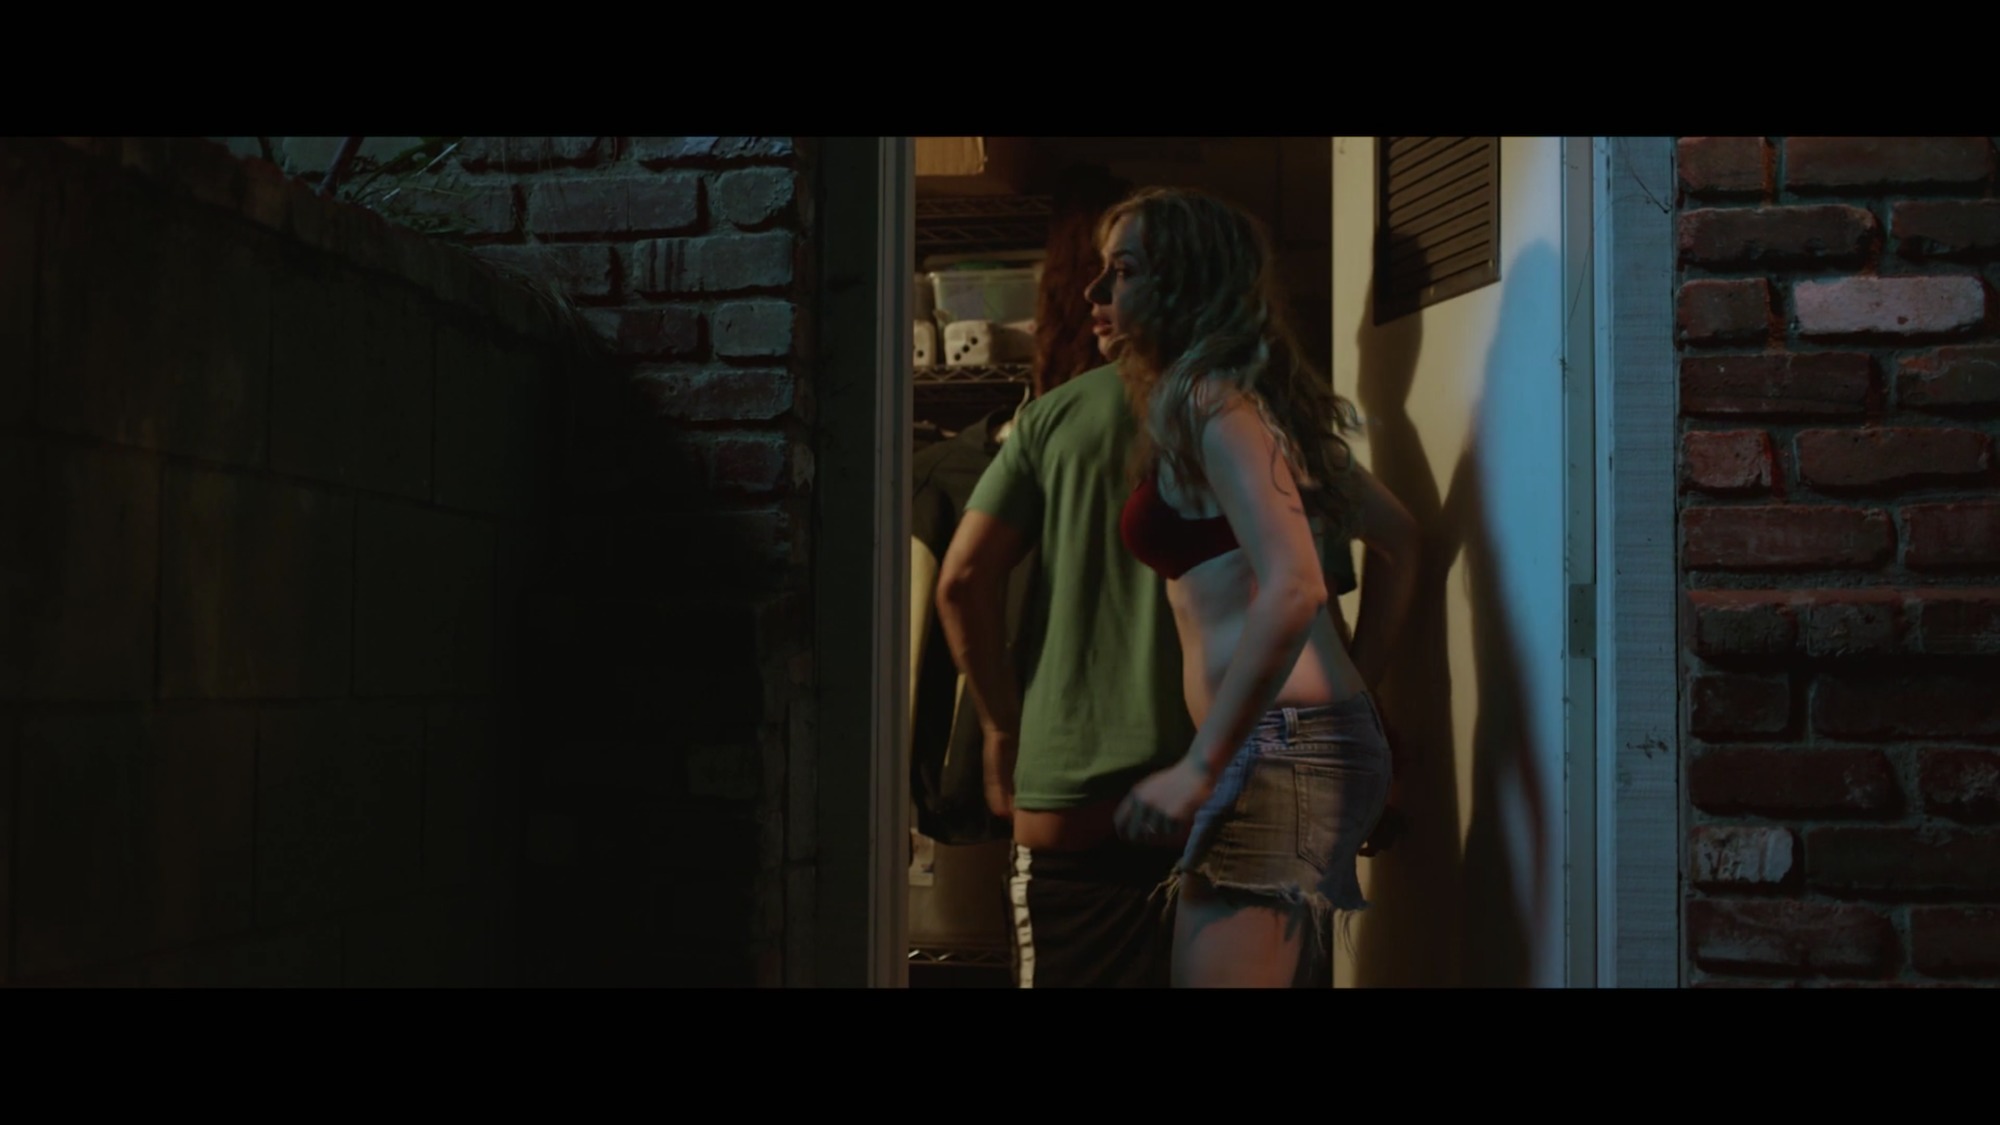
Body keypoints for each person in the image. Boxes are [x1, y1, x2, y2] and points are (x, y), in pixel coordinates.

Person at [935, 169, 1364, 988]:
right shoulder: (1281, 426)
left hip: (1078, 802)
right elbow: (1327, 613)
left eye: (1122, 271)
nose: (1095, 292)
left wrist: (1000, 727)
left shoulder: (1055, 417)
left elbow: (961, 581)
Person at [1097, 186, 1420, 989]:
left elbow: (1297, 585)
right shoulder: (1244, 407)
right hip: (1289, 745)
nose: (1096, 292)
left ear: (1184, 282)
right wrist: (1354, 694)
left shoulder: (1210, 401)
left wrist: (1199, 764)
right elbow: (1400, 539)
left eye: (1123, 270)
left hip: (1279, 751)